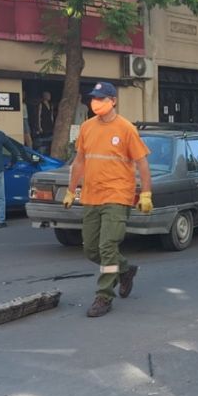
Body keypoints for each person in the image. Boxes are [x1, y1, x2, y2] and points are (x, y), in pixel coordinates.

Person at [63, 82, 153, 318]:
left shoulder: (126, 129)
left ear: (113, 101)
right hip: (92, 195)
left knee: (107, 246)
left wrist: (145, 193)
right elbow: (80, 160)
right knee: (91, 250)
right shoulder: (86, 127)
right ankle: (125, 270)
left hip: (117, 194)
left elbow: (142, 162)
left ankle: (104, 296)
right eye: (94, 98)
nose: (96, 103)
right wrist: (71, 191)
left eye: (101, 99)